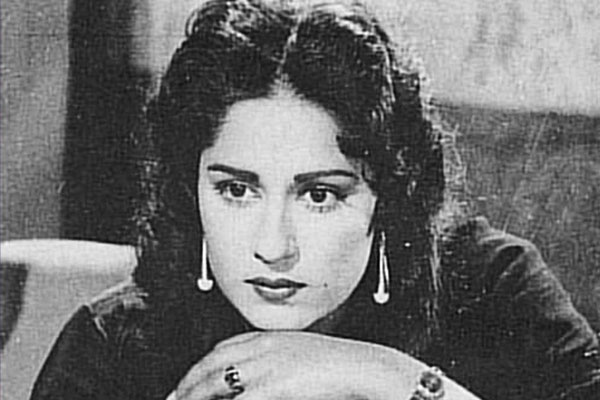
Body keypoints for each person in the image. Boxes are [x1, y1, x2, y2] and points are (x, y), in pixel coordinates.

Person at [31, 1, 600, 399]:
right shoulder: (116, 348)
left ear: (391, 195)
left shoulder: (493, 287)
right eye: (236, 190)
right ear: (190, 191)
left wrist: (385, 376)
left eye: (320, 195)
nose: (273, 246)